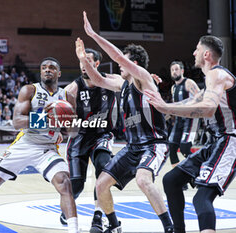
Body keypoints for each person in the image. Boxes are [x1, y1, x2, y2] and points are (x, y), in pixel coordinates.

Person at [76, 12, 174, 233]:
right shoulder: (123, 85)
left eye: (124, 60)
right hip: (132, 148)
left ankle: (170, 228)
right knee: (101, 184)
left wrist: (93, 35)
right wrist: (83, 59)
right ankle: (114, 225)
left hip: (153, 144)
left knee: (142, 180)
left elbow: (119, 57)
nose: (118, 63)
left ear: (134, 63)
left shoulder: (143, 79)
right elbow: (98, 79)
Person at [0, 57, 80, 233]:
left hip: (47, 148)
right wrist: (45, 118)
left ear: (59, 73)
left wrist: (66, 126)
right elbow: (17, 122)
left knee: (64, 183)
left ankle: (73, 229)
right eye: (44, 67)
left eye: (52, 68)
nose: (47, 70)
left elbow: (74, 131)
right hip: (25, 143)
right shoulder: (29, 90)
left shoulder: (67, 96)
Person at [145, 35, 236, 233]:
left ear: (206, 54)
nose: (193, 53)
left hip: (230, 141)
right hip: (215, 143)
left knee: (201, 198)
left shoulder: (216, 74)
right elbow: (192, 102)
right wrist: (164, 107)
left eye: (196, 49)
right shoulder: (211, 79)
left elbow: (208, 108)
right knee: (171, 180)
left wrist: (164, 107)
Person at [59, 48, 118, 233]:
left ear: (97, 64)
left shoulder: (111, 80)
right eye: (81, 62)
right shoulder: (71, 90)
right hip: (79, 138)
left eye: (88, 61)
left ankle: (98, 217)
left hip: (102, 135)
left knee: (103, 170)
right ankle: (66, 210)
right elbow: (65, 122)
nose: (84, 65)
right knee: (76, 185)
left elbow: (133, 80)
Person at [167, 61, 200, 168]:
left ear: (182, 71)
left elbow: (201, 98)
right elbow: (175, 107)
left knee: (185, 148)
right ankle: (181, 182)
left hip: (190, 120)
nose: (174, 72)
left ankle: (199, 169)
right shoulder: (173, 88)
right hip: (178, 121)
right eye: (172, 70)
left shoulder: (189, 83)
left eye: (176, 69)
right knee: (171, 148)